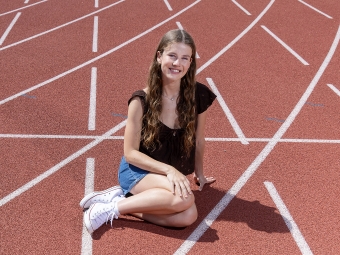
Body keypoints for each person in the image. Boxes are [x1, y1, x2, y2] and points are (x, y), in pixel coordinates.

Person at [80, 29, 216, 234]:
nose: (177, 63)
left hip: (165, 174)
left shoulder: (199, 95)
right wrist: (170, 170)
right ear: (159, 56)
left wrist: (200, 174)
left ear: (190, 64)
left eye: (184, 58)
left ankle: (124, 200)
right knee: (185, 198)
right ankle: (109, 209)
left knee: (187, 216)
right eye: (172, 56)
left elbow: (199, 139)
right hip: (137, 170)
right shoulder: (140, 101)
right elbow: (130, 154)